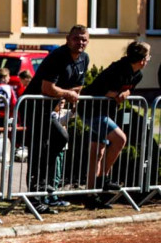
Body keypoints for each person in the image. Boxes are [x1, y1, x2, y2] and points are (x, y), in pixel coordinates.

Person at [19, 25, 90, 214]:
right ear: (68, 39)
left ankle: (45, 188)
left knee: (59, 139)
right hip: (33, 107)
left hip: (48, 109)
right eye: (76, 38)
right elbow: (47, 88)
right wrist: (66, 94)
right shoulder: (58, 56)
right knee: (40, 149)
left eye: (84, 39)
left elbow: (77, 86)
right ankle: (34, 198)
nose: (80, 42)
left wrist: (73, 99)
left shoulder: (84, 58)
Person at [79, 40, 150, 207]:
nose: (148, 60)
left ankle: (91, 196)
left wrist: (125, 92)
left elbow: (128, 89)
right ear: (142, 59)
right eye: (148, 56)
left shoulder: (137, 74)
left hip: (106, 112)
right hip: (91, 109)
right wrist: (117, 94)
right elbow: (101, 89)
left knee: (98, 153)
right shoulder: (118, 68)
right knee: (120, 139)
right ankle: (103, 179)